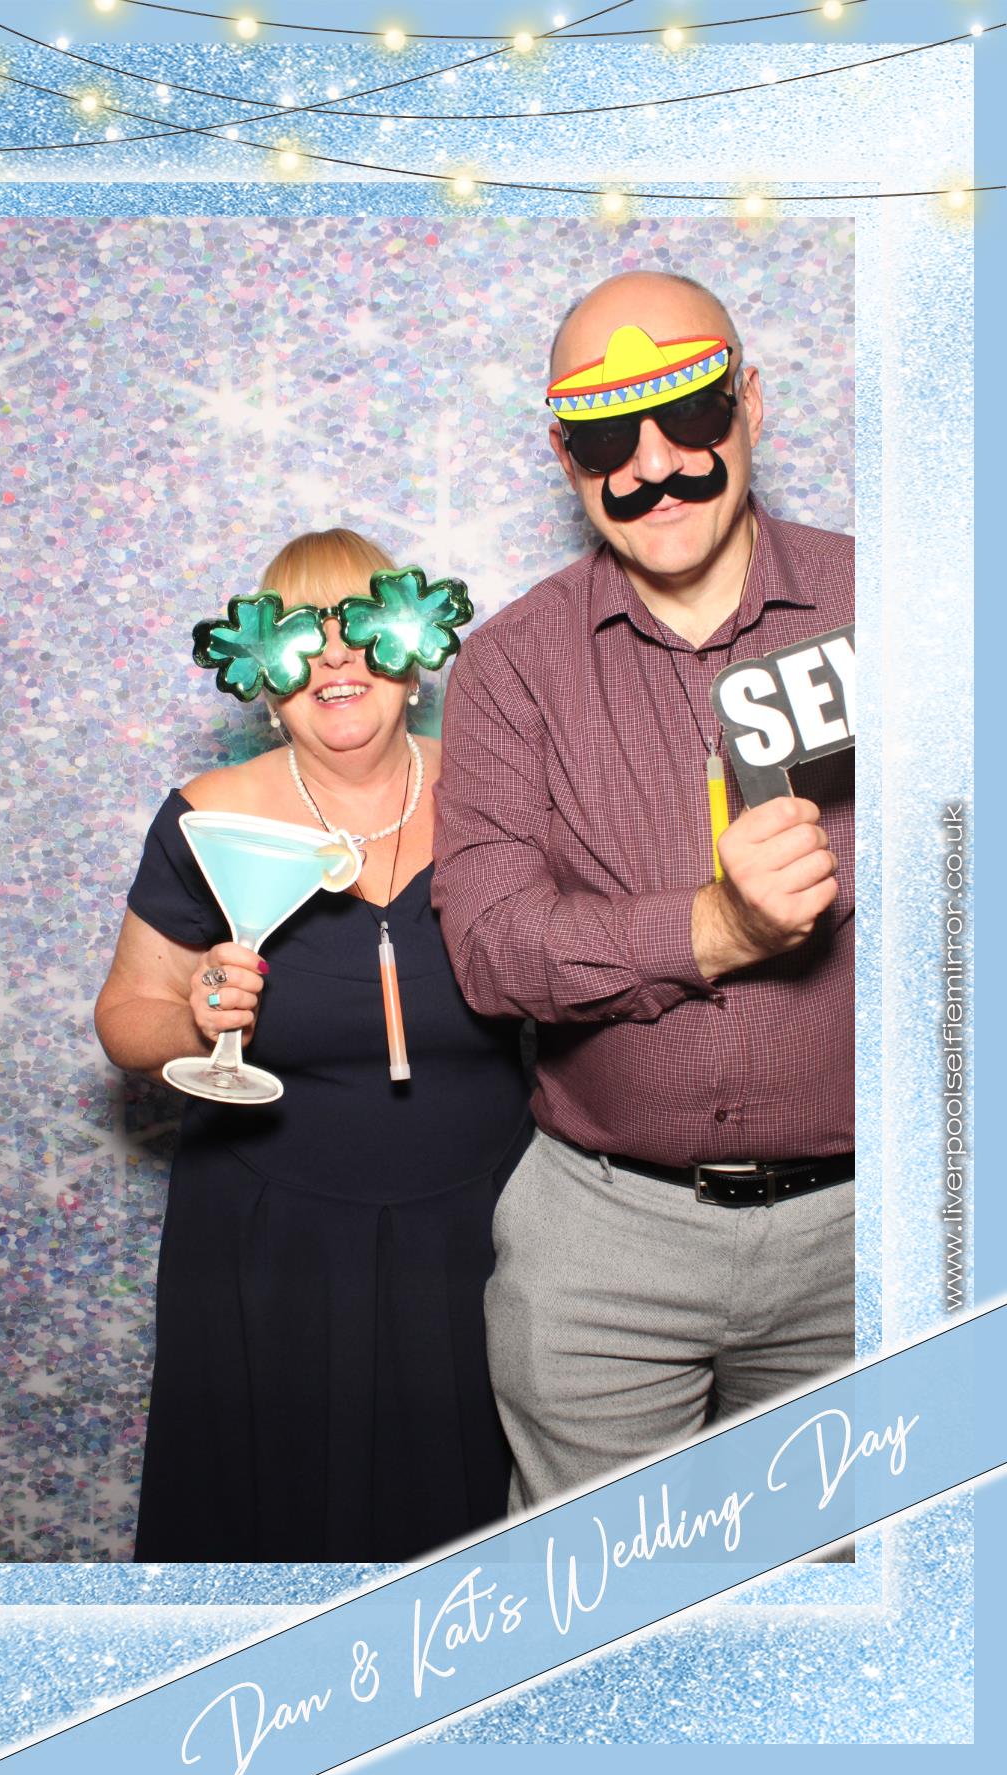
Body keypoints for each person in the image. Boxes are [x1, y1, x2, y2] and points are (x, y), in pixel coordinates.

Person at [433, 271, 855, 1511]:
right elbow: (493, 952)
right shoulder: (511, 664)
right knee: (592, 1596)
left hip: (867, 1231)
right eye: (608, 438)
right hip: (601, 1237)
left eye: (693, 413)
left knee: (838, 1583)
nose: (655, 465)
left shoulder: (906, 605)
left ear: (751, 405)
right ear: (565, 458)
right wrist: (716, 926)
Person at [95, 528, 532, 1561]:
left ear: (417, 653)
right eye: (297, 637)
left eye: (366, 628)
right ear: (261, 678)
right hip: (266, 1244)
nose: (336, 657)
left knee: (470, 1536)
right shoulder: (210, 818)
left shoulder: (499, 791)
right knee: (275, 1517)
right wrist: (196, 1014)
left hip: (484, 1234)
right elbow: (126, 1016)